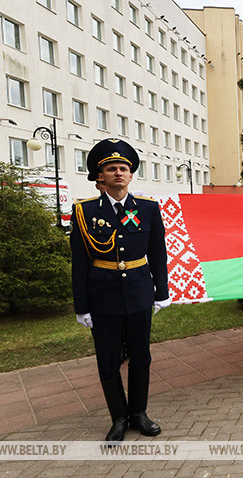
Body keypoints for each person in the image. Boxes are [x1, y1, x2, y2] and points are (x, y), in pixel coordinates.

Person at [71, 138, 169, 442]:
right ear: (100, 176)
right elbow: (79, 262)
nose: (118, 172)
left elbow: (158, 252)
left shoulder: (148, 209)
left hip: (139, 292)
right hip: (104, 297)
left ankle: (139, 413)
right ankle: (118, 417)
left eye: (123, 168)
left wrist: (161, 291)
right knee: (108, 359)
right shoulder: (84, 212)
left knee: (142, 356)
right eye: (111, 168)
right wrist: (82, 306)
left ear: (130, 174)